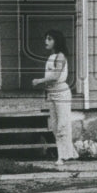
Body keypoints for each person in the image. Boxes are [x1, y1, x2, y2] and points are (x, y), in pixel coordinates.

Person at [32, 29, 79, 164]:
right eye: (46, 38)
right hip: (52, 94)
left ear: (56, 41)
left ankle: (62, 156)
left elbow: (56, 75)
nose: (46, 41)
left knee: (62, 125)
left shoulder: (60, 56)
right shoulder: (51, 57)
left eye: (49, 39)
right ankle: (69, 153)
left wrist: (39, 80)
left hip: (61, 94)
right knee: (54, 125)